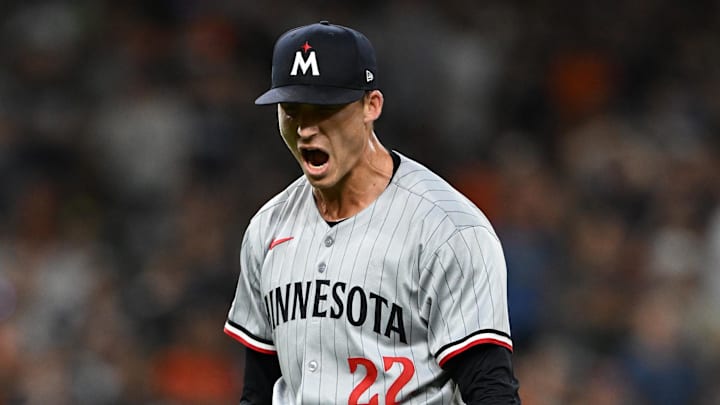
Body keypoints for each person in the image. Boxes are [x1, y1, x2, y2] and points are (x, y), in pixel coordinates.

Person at [224, 21, 521, 404]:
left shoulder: (447, 229)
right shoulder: (268, 227)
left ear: (371, 105)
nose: (306, 130)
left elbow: (491, 391)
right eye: (292, 109)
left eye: (324, 109)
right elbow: (259, 387)